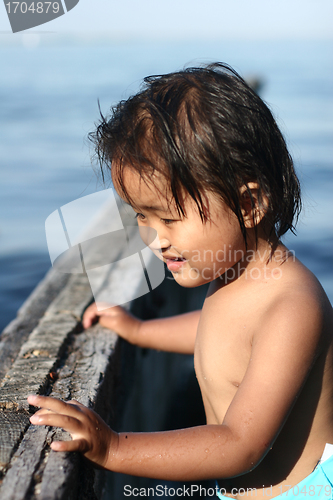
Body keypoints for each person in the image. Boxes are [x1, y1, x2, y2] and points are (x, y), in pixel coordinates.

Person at [28, 63, 333, 499]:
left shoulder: (292, 306)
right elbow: (218, 332)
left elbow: (239, 444)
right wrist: (140, 331)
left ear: (249, 204)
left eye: (168, 218)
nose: (155, 239)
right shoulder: (236, 274)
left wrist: (114, 448)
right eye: (142, 217)